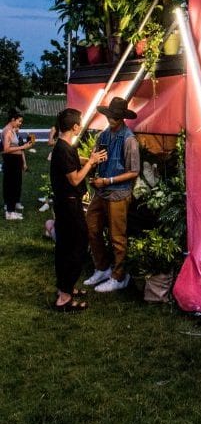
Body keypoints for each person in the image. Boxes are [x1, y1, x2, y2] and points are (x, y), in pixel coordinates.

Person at [50, 108, 106, 312]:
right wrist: (90, 162)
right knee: (76, 246)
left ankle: (65, 288)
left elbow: (73, 162)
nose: (81, 126)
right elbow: (74, 179)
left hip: (65, 203)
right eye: (80, 123)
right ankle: (64, 298)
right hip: (69, 205)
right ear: (75, 127)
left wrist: (90, 159)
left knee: (65, 246)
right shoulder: (63, 150)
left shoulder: (64, 146)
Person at [84, 97, 140, 292]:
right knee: (91, 227)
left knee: (117, 237)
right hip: (101, 191)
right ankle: (102, 268)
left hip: (119, 194)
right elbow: (96, 159)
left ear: (122, 118)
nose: (111, 120)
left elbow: (134, 171)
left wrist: (108, 181)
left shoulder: (129, 140)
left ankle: (119, 277)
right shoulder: (103, 136)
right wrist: (93, 169)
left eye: (115, 117)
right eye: (109, 116)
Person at [2, 108, 34, 221]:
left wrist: (24, 146)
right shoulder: (7, 131)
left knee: (14, 185)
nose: (20, 123)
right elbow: (6, 149)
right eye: (19, 121)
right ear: (13, 119)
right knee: (11, 185)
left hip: (15, 161)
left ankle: (11, 210)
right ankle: (9, 213)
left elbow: (13, 145)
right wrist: (23, 147)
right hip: (11, 161)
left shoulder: (12, 130)